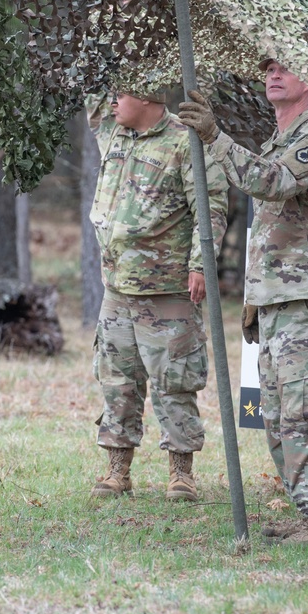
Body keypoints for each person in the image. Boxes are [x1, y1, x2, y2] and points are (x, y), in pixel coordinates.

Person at [177, 59, 308, 549]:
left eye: (286, 69)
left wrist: (215, 136)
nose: (274, 75)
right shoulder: (279, 144)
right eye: (268, 69)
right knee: (277, 416)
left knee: (307, 412)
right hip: (278, 305)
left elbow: (270, 182)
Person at [88, 87, 229, 502]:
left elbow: (212, 204)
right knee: (118, 380)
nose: (111, 103)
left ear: (148, 98)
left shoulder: (184, 143)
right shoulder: (112, 133)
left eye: (120, 95)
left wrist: (201, 263)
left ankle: (181, 473)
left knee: (174, 380)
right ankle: (118, 471)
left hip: (167, 288)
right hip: (117, 288)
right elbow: (89, 85)